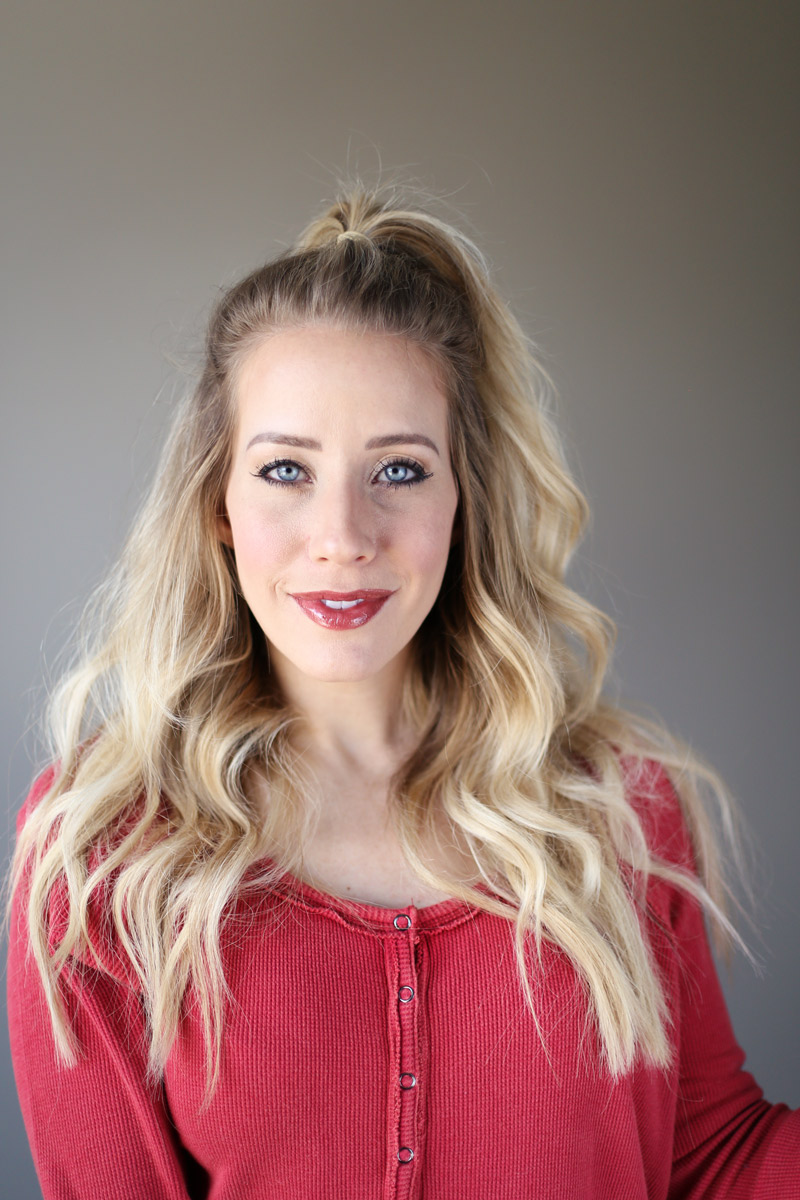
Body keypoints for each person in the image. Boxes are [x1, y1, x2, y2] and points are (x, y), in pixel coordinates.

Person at [6, 185, 799, 1200]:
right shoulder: (103, 853)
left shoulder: (619, 811)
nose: (342, 535)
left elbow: (713, 1160)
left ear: (464, 500)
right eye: (285, 470)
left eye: (399, 471)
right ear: (218, 507)